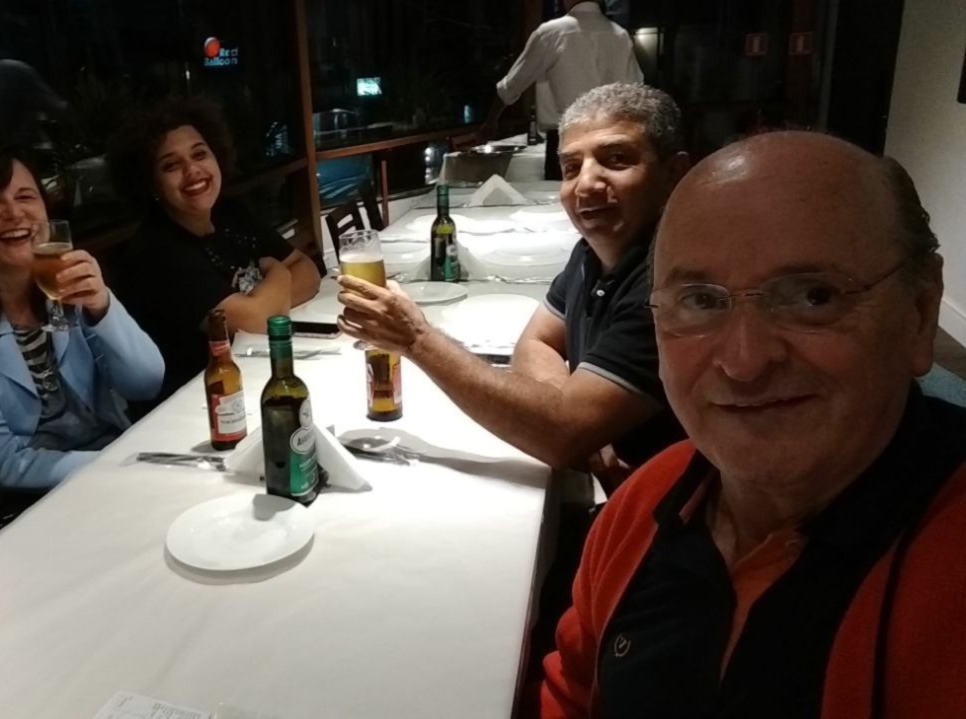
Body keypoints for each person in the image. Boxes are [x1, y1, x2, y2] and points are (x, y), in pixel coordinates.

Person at [540, 132, 966, 718]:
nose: (744, 362)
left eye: (813, 296)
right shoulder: (643, 504)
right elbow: (571, 696)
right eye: (701, 301)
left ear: (919, 313)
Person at [339, 84, 689, 486]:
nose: (586, 185)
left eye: (616, 159)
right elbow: (538, 341)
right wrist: (572, 414)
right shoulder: (591, 254)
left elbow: (559, 437)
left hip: (659, 510)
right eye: (571, 167)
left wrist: (416, 339)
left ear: (673, 174)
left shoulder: (672, 288)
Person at [0, 140, 164, 513]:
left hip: (114, 466)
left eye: (26, 197)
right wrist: (119, 465)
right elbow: (3, 464)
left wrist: (102, 305)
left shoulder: (63, 284)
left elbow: (146, 382)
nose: (14, 213)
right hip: (33, 503)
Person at [110, 98, 322, 398]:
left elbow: (308, 271)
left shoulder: (229, 212)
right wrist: (280, 274)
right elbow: (252, 322)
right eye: (171, 165)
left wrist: (266, 305)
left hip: (253, 371)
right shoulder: (158, 252)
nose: (192, 170)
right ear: (151, 184)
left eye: (199, 154)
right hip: (201, 399)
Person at [462, 0, 643, 180]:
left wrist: (491, 121)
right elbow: (635, 91)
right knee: (603, 195)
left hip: (566, 139)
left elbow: (513, 84)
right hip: (610, 139)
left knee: (561, 195)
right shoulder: (620, 35)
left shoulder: (552, 33)